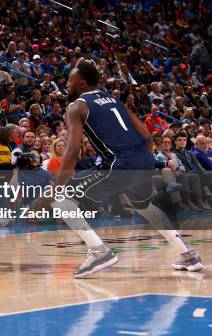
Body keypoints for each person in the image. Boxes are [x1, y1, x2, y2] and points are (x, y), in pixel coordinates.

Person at [49, 59, 202, 278]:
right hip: (143, 160)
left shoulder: (77, 106)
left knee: (60, 199)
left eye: (69, 81)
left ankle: (99, 252)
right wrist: (143, 162)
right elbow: (147, 136)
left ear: (81, 84)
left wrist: (57, 185)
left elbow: (72, 151)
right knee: (145, 206)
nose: (66, 85)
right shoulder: (113, 100)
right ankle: (188, 255)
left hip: (120, 163)